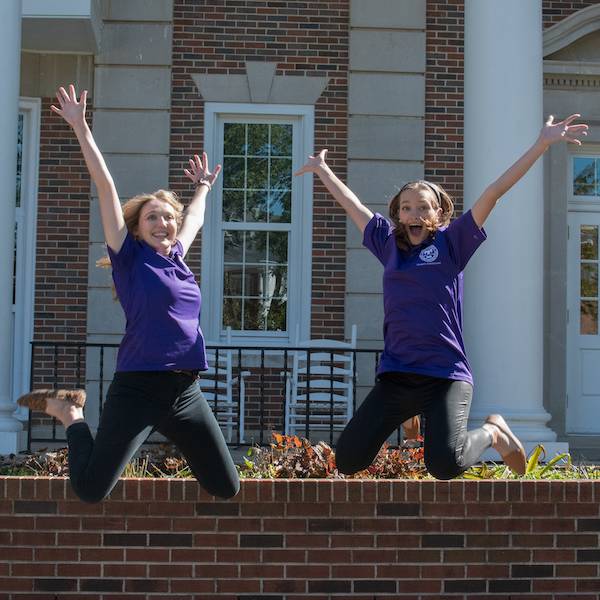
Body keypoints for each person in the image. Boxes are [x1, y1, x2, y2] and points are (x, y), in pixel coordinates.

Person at [295, 114, 587, 478]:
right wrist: (323, 170)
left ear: (439, 212)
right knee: (349, 460)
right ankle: (413, 415)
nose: (413, 213)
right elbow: (353, 206)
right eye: (406, 208)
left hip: (445, 374)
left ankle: (493, 430)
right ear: (398, 216)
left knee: (444, 464)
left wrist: (541, 144)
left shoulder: (452, 243)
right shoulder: (389, 245)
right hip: (398, 374)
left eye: (422, 207)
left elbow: (494, 192)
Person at [18, 85, 240, 502]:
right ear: (137, 228)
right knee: (90, 489)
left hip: (184, 390)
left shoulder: (176, 255)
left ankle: (75, 412)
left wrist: (204, 187)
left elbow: (194, 217)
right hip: (137, 387)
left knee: (226, 487)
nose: (164, 224)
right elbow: (105, 187)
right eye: (153, 218)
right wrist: (82, 128)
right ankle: (71, 413)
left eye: (167, 218)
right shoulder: (129, 257)